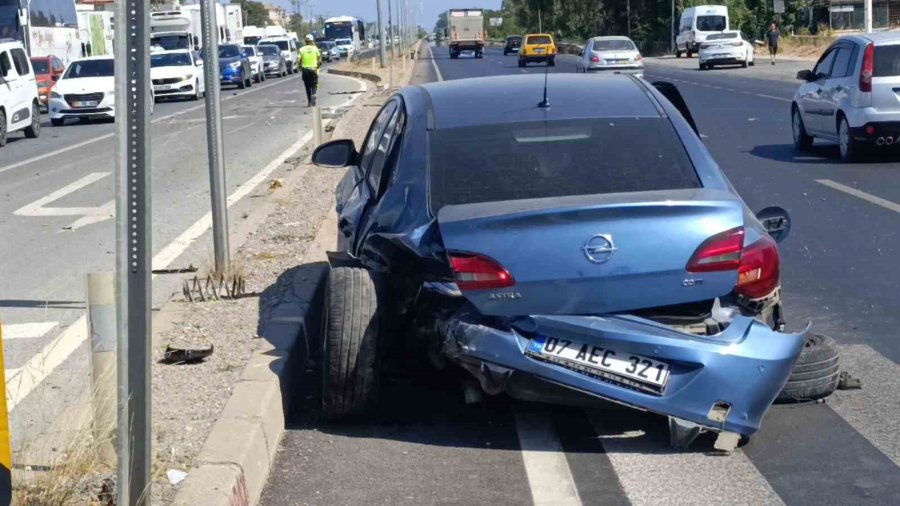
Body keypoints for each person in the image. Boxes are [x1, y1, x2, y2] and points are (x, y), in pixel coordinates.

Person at [299, 34, 322, 106]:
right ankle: (314, 94)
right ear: (312, 41)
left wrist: (299, 65)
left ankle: (309, 101)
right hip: (313, 69)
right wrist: (318, 63)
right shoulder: (315, 48)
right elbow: (319, 57)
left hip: (305, 70)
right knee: (314, 84)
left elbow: (298, 59)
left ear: (305, 41)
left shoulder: (301, 49)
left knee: (307, 86)